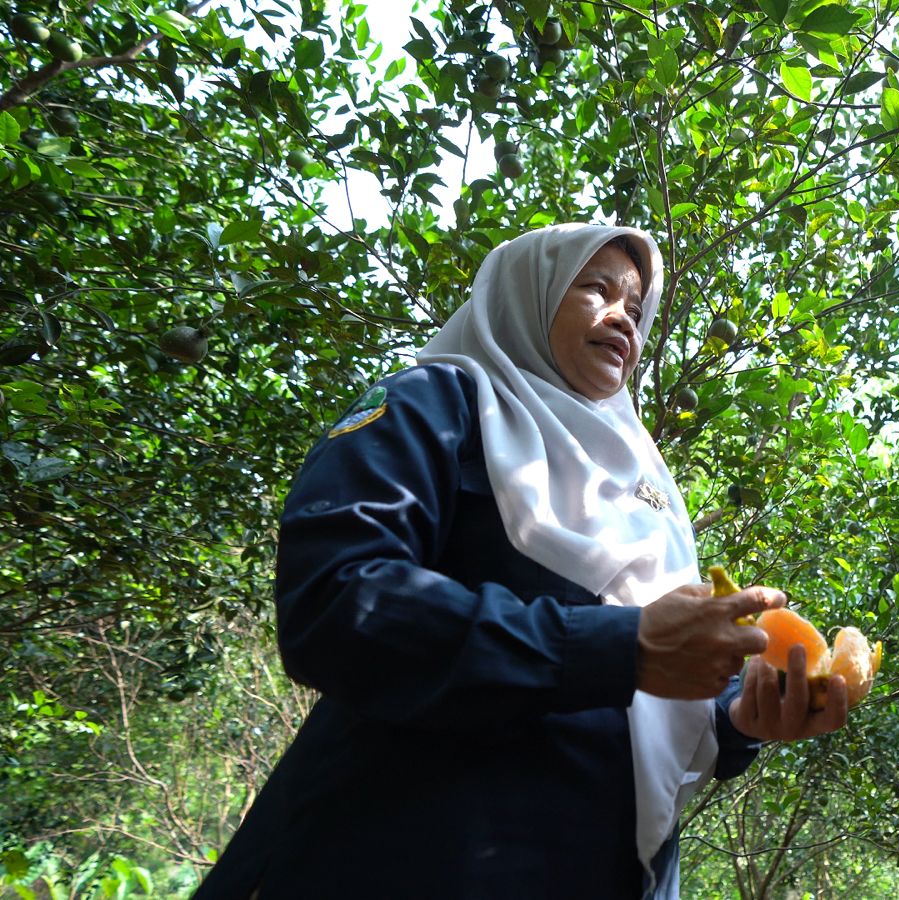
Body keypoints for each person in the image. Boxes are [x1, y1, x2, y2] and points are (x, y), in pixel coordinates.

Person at [192, 224, 848, 899]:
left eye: (637, 305)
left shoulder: (644, 487)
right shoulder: (434, 404)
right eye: (596, 289)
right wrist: (617, 648)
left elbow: (652, 696)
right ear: (525, 295)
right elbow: (334, 600)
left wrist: (741, 716)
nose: (624, 315)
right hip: (406, 852)